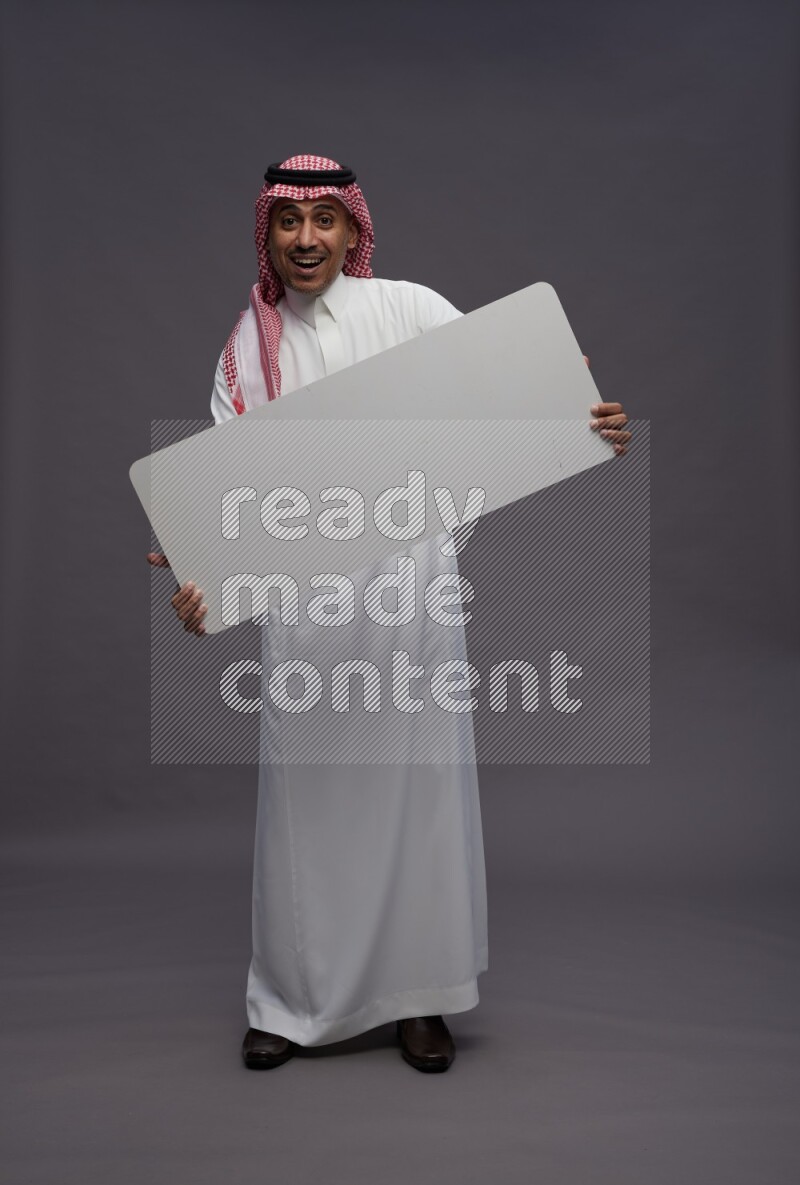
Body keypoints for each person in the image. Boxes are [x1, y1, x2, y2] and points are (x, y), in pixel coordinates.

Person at [148, 154, 631, 1073]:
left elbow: (511, 390)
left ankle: (423, 999)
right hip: (306, 613)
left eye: (325, 220)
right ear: (268, 230)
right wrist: (201, 576)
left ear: (352, 229)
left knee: (419, 797)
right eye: (291, 223)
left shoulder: (411, 309)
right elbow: (225, 498)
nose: (306, 239)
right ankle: (291, 1003)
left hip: (411, 594)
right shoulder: (246, 351)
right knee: (309, 806)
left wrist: (587, 425)